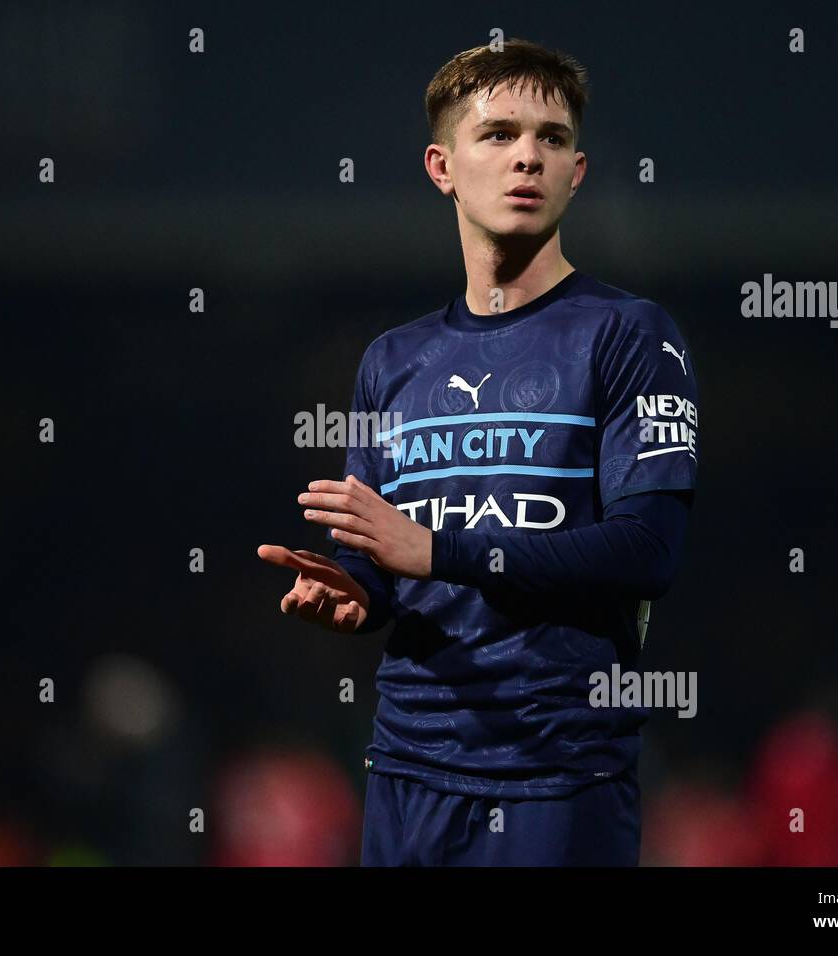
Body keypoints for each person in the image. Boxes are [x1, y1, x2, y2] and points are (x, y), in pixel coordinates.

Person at [258, 38, 699, 866]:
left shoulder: (629, 334)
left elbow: (649, 550)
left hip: (558, 778)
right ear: (442, 167)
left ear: (577, 171)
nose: (528, 154)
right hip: (407, 773)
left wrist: (438, 551)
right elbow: (393, 572)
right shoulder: (393, 361)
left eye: (553, 138)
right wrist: (360, 596)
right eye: (498, 134)